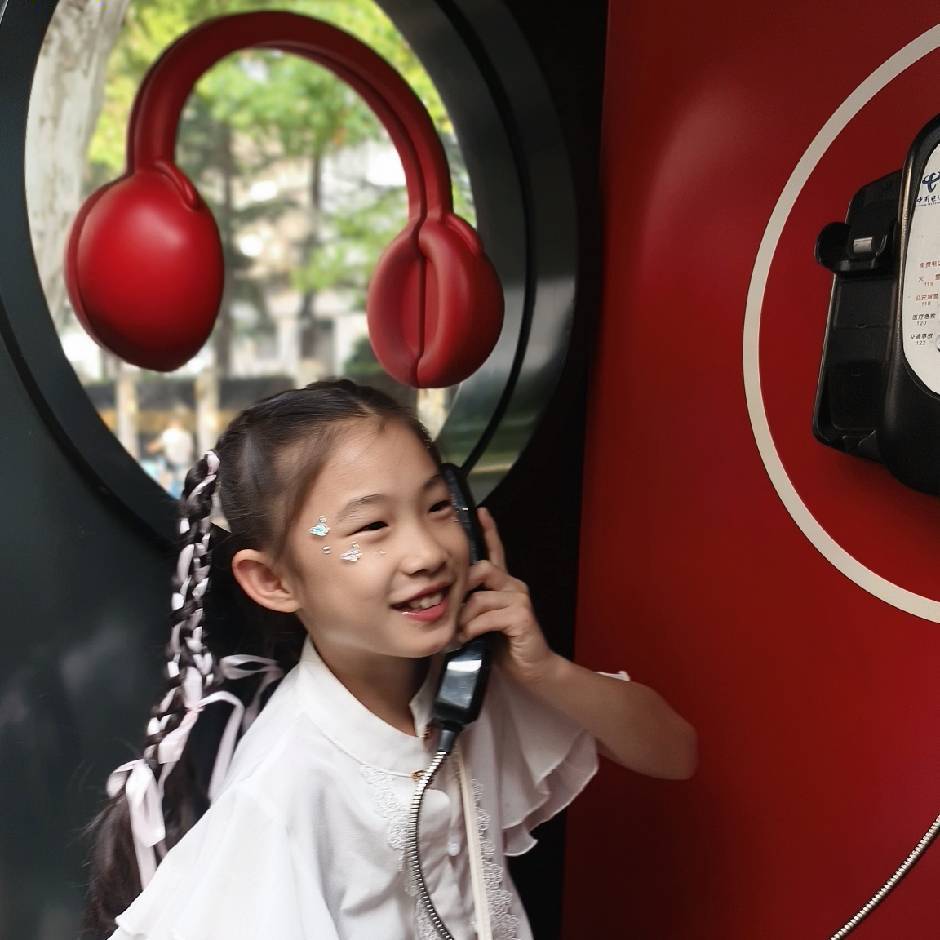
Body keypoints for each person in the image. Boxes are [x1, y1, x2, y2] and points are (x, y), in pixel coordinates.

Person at [83, 378, 697, 940]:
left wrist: (545, 671)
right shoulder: (284, 789)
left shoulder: (465, 685)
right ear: (274, 580)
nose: (426, 552)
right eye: (372, 526)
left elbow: (674, 752)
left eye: (438, 507)